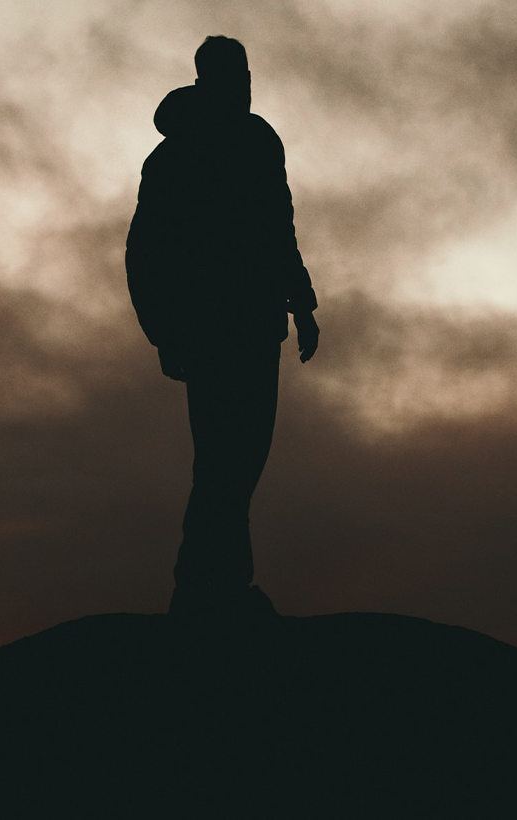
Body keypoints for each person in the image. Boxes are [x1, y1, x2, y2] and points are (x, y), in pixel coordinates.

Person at [126, 36, 319, 616]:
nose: (246, 85)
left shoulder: (261, 142)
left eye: (247, 74)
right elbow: (146, 249)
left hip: (259, 325)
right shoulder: (172, 157)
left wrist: (301, 302)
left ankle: (219, 583)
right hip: (209, 330)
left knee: (244, 456)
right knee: (220, 459)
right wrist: (164, 332)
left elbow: (278, 225)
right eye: (235, 76)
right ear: (209, 80)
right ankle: (205, 588)